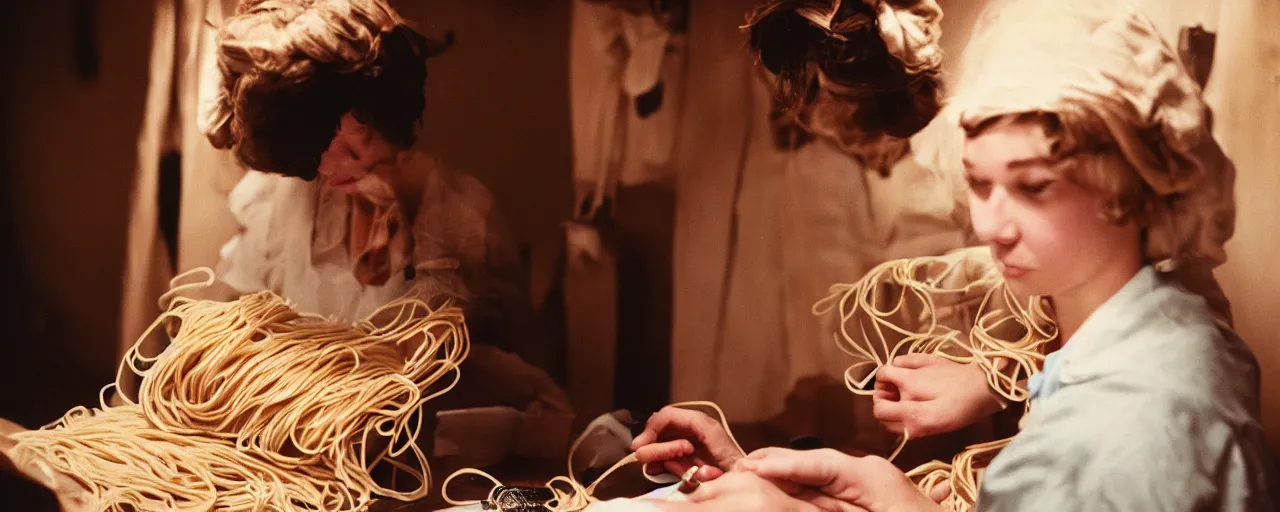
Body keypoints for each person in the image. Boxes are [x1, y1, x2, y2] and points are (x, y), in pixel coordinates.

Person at [628, 1, 1275, 510]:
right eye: (978, 183)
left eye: (1032, 187)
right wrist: (770, 482)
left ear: (1132, 191)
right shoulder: (1144, 353)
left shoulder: (1128, 432)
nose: (991, 227)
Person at [199, 0, 570, 462]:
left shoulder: (463, 215)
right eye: (319, 152)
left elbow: (485, 368)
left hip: (419, 459)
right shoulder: (283, 199)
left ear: (387, 121)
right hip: (284, 449)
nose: (333, 168)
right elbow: (231, 327)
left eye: (361, 144)